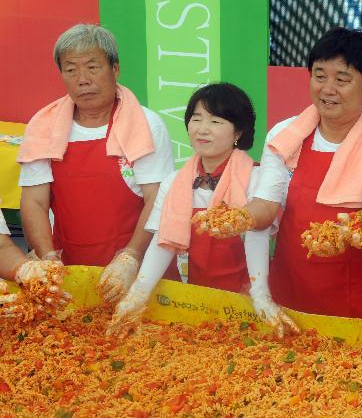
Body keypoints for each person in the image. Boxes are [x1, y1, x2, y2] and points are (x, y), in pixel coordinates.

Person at [107, 83, 299, 337]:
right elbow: (163, 242)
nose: (202, 129)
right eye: (196, 119)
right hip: (197, 299)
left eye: (216, 121)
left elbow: (257, 235)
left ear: (238, 131)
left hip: (245, 300)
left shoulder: (255, 177)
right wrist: (137, 295)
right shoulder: (174, 181)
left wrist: (259, 294)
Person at [238, 28, 362, 320]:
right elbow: (265, 207)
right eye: (320, 76)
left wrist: (338, 233)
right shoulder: (286, 135)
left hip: (358, 299)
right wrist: (240, 218)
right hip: (292, 291)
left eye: (342, 79)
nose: (327, 88)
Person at [17, 24, 173, 305]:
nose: (83, 80)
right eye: (71, 70)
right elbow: (34, 202)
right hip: (70, 272)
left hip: (141, 270)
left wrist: (131, 257)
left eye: (92, 67)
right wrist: (48, 260)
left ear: (115, 69)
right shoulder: (43, 127)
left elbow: (158, 199)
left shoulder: (146, 125)